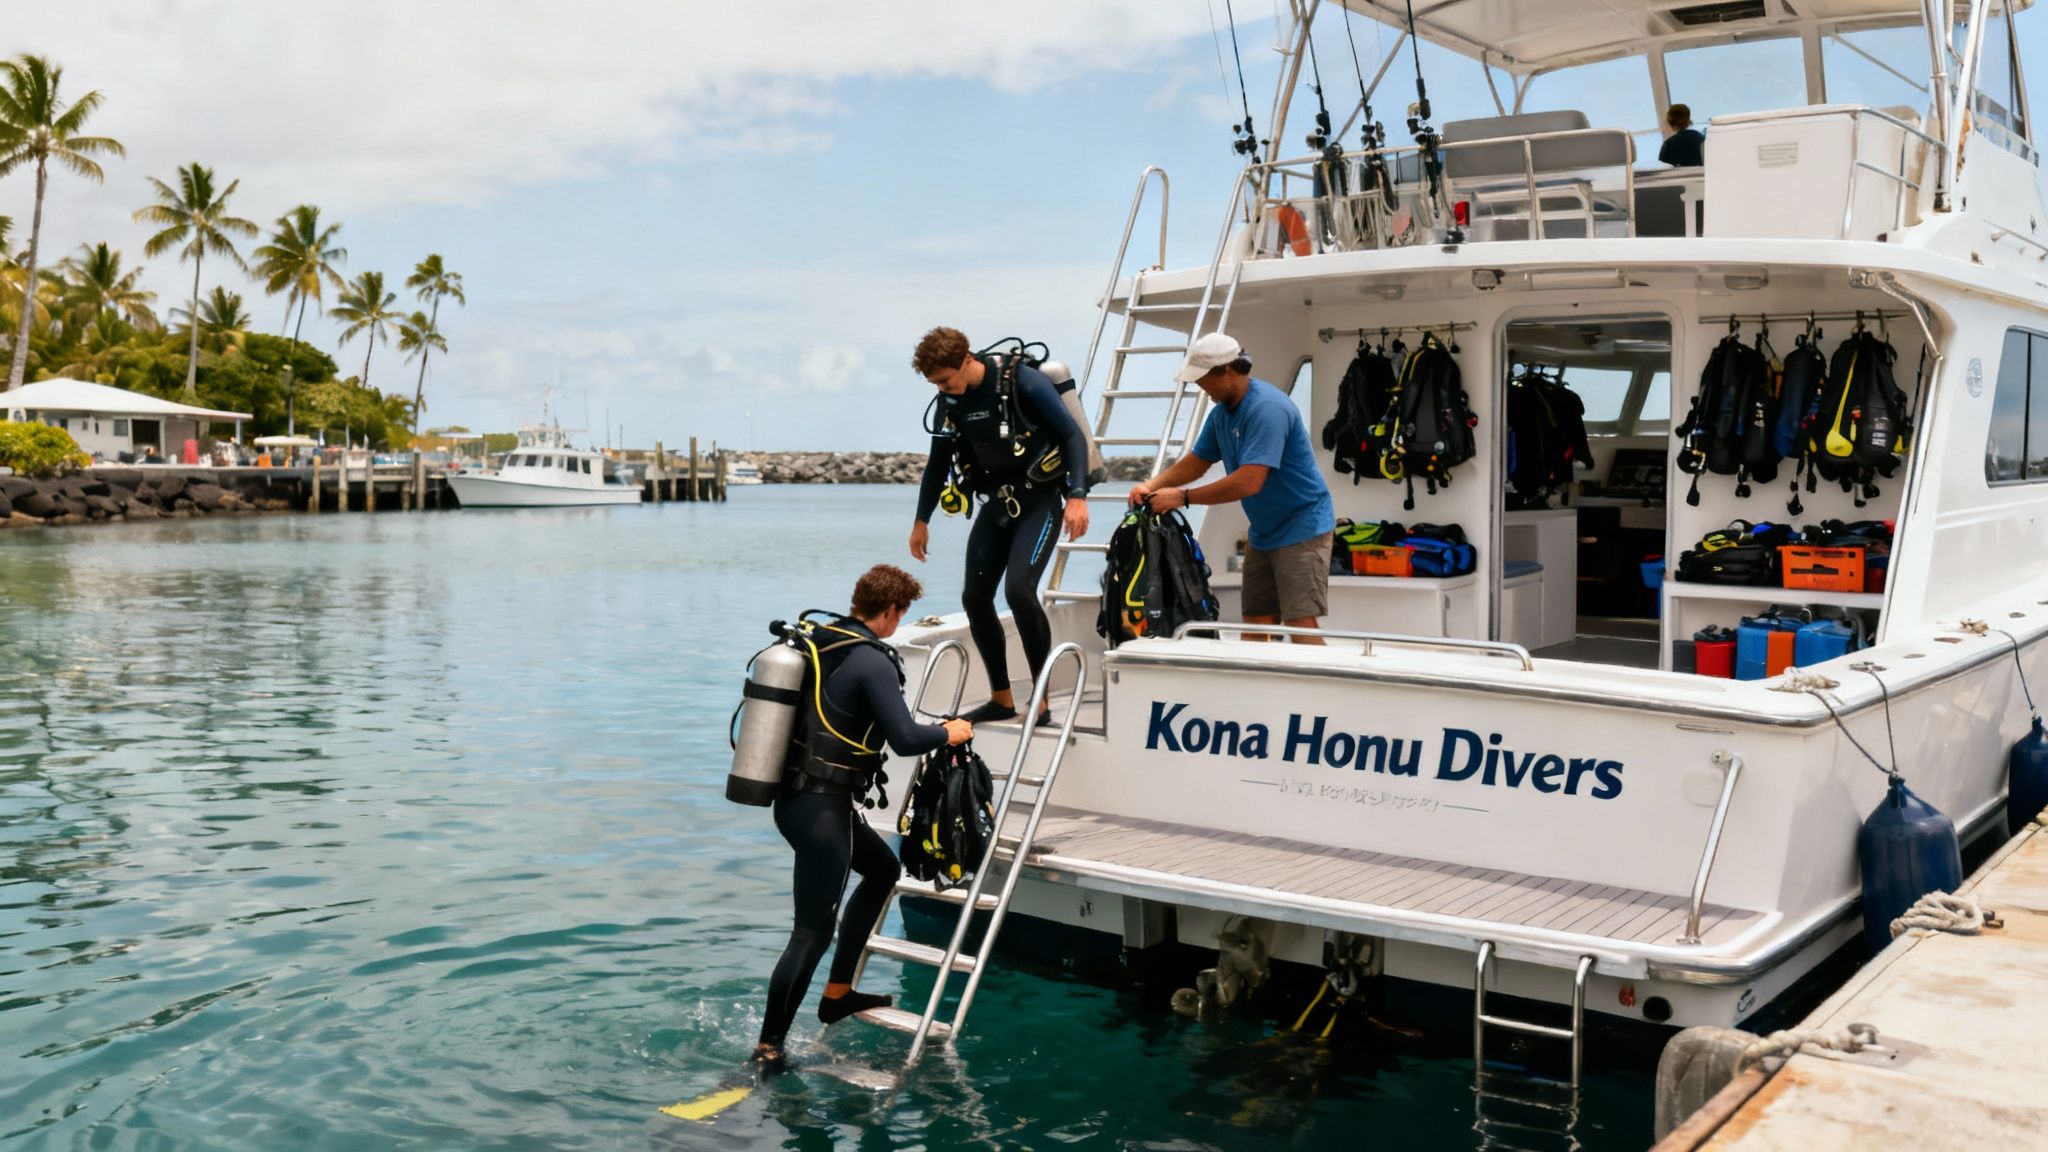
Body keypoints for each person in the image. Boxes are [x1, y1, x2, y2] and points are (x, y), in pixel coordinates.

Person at [752, 564, 972, 1073]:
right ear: (891, 611)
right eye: (902, 613)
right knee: (810, 932)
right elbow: (906, 739)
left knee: (881, 870)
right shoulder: (872, 660)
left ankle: (838, 993)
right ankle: (768, 1048)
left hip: (801, 801)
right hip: (821, 810)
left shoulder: (825, 644)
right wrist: (951, 733)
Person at [909, 326, 1091, 722]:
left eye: (944, 379)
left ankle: (1040, 701)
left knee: (1020, 590)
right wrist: (922, 520)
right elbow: (938, 463)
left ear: (966, 361)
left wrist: (1077, 496)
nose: (941, 388)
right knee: (974, 598)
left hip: (1040, 501)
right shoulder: (949, 401)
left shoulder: (1022, 383)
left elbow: (1072, 437)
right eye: (934, 383)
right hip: (997, 503)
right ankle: (1002, 699)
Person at [1129, 332, 1336, 643]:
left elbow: (1249, 481)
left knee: (1298, 622)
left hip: (1303, 527)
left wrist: (1182, 498)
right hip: (1264, 532)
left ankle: (1324, 692)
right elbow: (1199, 460)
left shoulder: (1268, 408)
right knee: (1256, 620)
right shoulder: (1221, 415)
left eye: (1203, 379)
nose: (1200, 387)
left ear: (1227, 370)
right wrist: (1153, 484)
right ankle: (1258, 691)